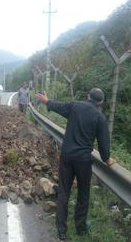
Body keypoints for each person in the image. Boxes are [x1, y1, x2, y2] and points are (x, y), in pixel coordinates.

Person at [35, 88, 115, 241]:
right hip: (83, 160)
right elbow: (104, 145)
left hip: (66, 156)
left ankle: (61, 231)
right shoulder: (100, 117)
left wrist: (47, 101)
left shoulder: (75, 106)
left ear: (87, 96)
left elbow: (59, 107)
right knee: (83, 194)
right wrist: (107, 160)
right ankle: (80, 228)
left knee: (64, 191)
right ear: (101, 103)